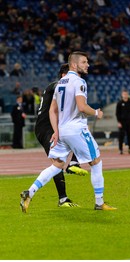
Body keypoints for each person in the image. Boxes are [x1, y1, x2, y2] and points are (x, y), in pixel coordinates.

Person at [20, 51, 116, 212]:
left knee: (57, 165)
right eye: (84, 62)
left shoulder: (61, 83)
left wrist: (56, 131)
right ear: (74, 64)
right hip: (77, 129)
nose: (88, 65)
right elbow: (82, 107)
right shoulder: (79, 82)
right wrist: (96, 113)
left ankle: (30, 192)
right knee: (96, 162)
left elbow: (52, 110)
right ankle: (99, 203)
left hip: (63, 131)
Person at [20, 63, 88, 212]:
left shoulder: (58, 89)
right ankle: (65, 189)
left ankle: (32, 193)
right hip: (47, 129)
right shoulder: (56, 85)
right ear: (64, 75)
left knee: (58, 162)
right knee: (58, 162)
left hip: (50, 127)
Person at [116, 90, 130, 154]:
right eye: (124, 94)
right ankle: (120, 149)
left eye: (126, 94)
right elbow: (117, 113)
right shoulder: (119, 103)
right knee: (121, 136)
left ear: (127, 94)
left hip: (129, 121)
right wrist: (119, 122)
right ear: (122, 95)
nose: (125, 95)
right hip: (122, 122)